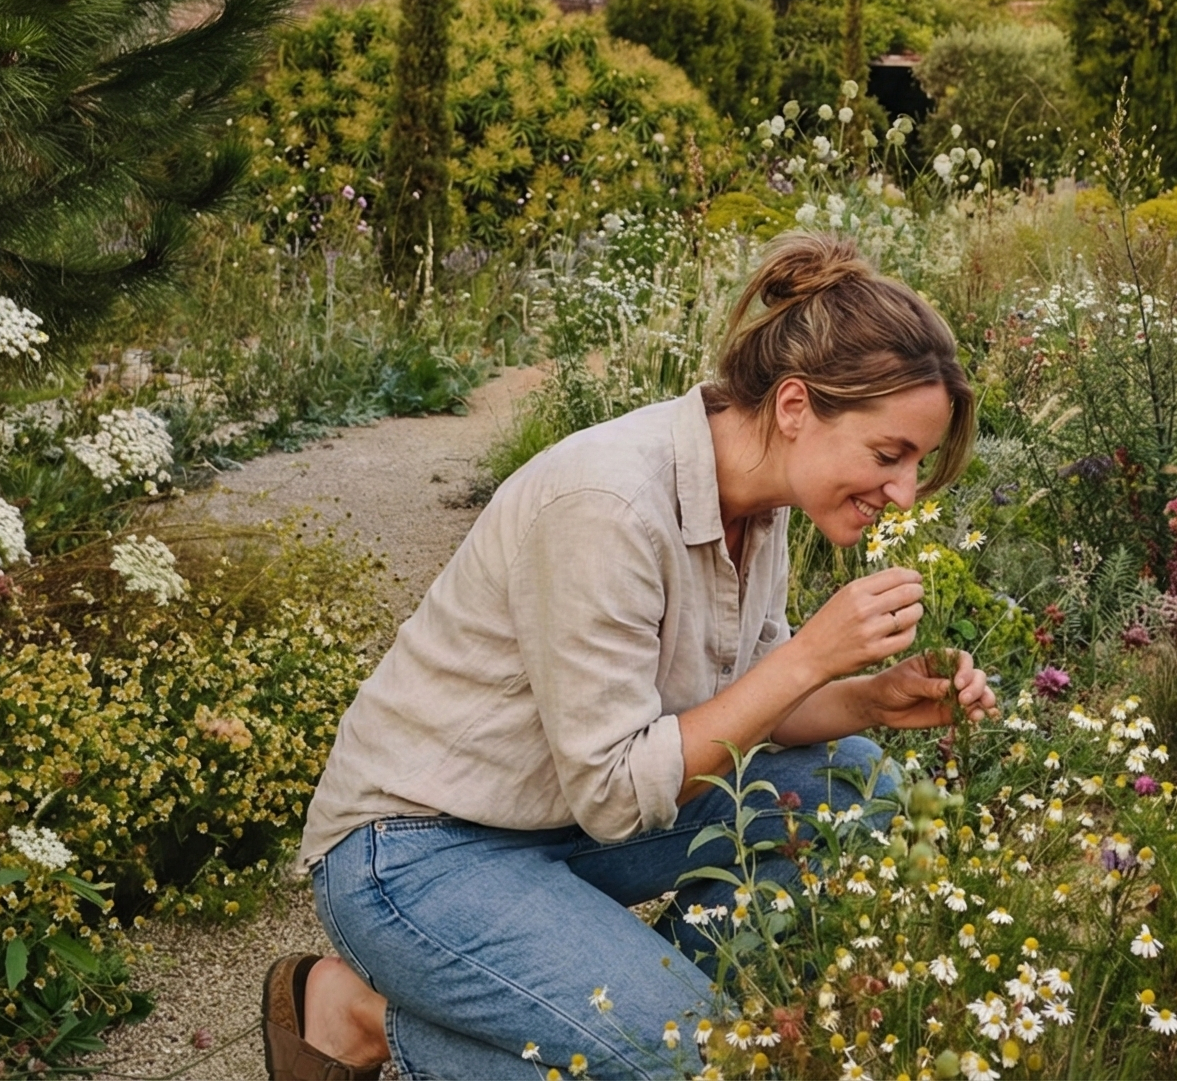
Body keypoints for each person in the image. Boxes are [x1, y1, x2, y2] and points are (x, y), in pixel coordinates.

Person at [265, 232, 997, 1081]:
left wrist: (869, 696)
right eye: (889, 455)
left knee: (858, 784)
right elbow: (617, 792)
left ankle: (637, 1017)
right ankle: (363, 1016)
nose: (904, 492)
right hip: (414, 853)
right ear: (795, 406)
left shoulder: (761, 503)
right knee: (704, 1061)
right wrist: (810, 656)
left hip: (555, 827)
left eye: (917, 463)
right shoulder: (608, 502)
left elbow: (746, 706)